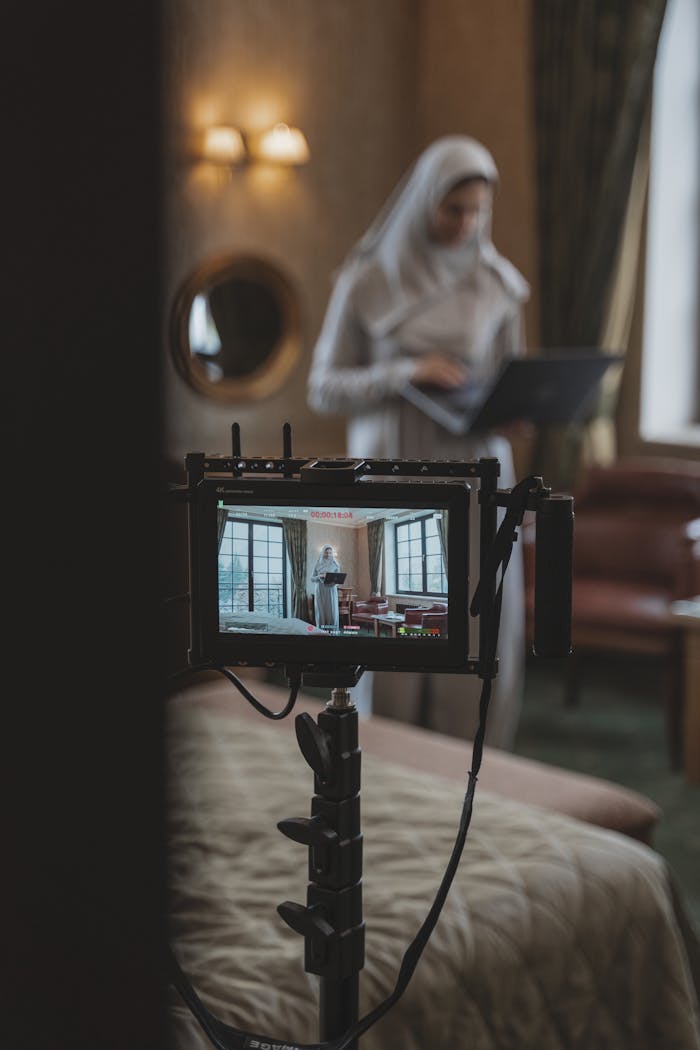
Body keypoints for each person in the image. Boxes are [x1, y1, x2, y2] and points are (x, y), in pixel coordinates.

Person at [307, 135, 530, 749]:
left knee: (475, 615)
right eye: (453, 209)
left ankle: (472, 754)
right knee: (393, 611)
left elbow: (508, 375)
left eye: (477, 211)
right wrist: (404, 372)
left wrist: (515, 409)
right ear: (425, 201)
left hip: (476, 470)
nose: (466, 224)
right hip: (394, 471)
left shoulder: (499, 285)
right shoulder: (366, 279)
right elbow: (324, 387)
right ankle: (386, 750)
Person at [311, 544, 342, 629]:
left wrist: (334, 580)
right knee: (321, 610)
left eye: (329, 553)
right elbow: (312, 578)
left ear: (332, 553)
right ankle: (321, 629)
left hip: (331, 590)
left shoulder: (335, 564)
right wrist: (320, 576)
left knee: (332, 610)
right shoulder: (318, 563)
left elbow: (338, 580)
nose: (328, 554)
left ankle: (332, 629)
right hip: (320, 589)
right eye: (326, 552)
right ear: (322, 553)